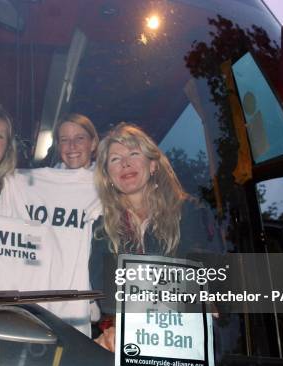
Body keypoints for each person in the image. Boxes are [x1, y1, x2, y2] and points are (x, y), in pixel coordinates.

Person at [90, 123, 220, 351]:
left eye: (133, 153)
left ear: (152, 165)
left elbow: (203, 279)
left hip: (183, 339)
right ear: (108, 176)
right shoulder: (102, 230)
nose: (125, 163)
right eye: (114, 159)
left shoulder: (189, 213)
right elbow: (108, 298)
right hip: (128, 343)